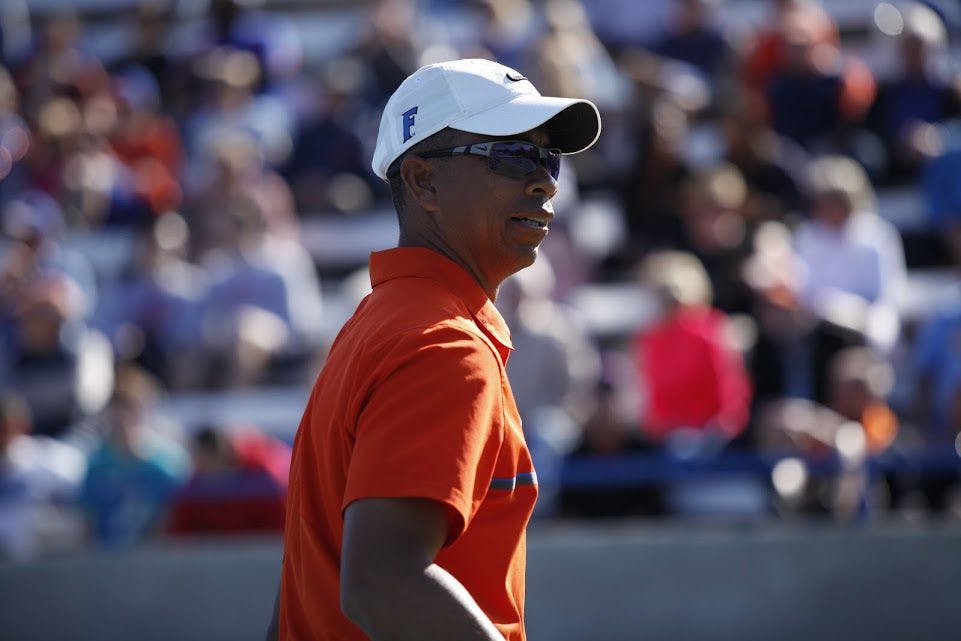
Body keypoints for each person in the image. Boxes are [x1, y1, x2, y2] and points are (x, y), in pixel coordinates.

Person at [272, 58, 600, 641]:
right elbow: (382, 583)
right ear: (423, 181)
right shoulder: (442, 344)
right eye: (512, 154)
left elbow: (300, 596)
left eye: (548, 158)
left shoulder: (377, 325)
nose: (546, 180)